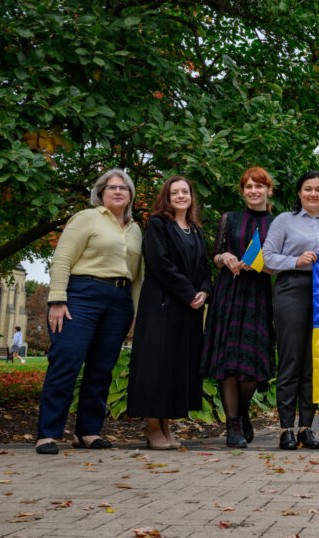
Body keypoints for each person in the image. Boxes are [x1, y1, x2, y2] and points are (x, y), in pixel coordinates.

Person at [36, 168, 143, 454]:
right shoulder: (87, 218)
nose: (118, 191)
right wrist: (57, 300)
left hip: (119, 301)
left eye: (123, 187)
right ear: (100, 192)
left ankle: (88, 432)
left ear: (131, 195)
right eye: (111, 187)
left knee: (102, 368)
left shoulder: (135, 230)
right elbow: (62, 259)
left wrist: (134, 311)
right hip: (81, 295)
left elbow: (137, 276)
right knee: (66, 362)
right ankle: (48, 434)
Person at [127, 176, 212, 450]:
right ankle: (152, 426)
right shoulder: (157, 224)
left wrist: (204, 291)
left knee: (177, 366)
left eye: (185, 191)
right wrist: (189, 294)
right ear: (167, 196)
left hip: (188, 310)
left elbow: (204, 267)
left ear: (191, 196)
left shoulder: (196, 230)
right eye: (174, 192)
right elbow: (159, 264)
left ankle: (166, 425)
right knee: (158, 366)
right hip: (162, 306)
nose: (180, 196)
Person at [262, 171, 319, 451]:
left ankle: (307, 427)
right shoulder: (285, 220)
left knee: (312, 361)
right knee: (291, 359)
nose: (313, 194)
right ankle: (286, 428)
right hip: (291, 288)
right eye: (308, 189)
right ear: (299, 192)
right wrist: (295, 261)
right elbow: (267, 256)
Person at [200, 167, 277, 448]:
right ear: (242, 191)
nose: (254, 191)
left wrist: (261, 265)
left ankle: (242, 413)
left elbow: (278, 265)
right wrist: (226, 257)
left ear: (269, 190)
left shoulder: (276, 223)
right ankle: (233, 425)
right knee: (229, 360)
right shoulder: (228, 219)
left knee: (252, 363)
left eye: (259, 186)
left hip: (258, 296)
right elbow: (216, 256)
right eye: (248, 187)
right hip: (228, 293)